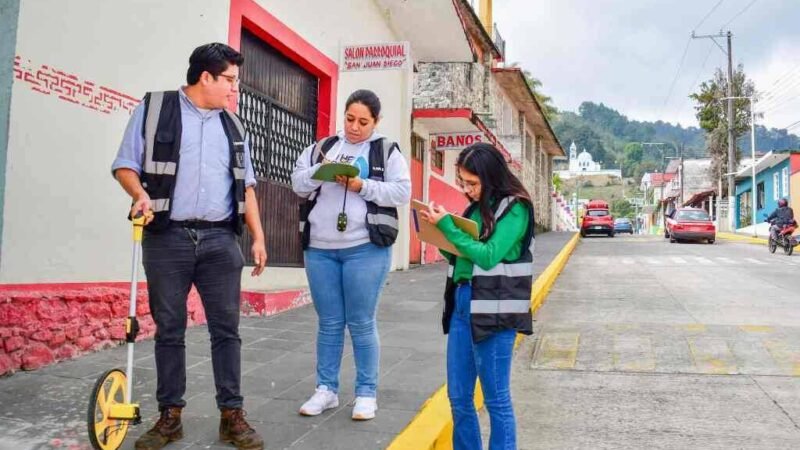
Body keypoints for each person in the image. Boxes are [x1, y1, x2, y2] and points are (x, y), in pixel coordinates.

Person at [111, 43, 266, 450]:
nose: (235, 89)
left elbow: (246, 185)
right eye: (230, 80)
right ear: (206, 78)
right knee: (170, 329)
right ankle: (170, 417)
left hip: (220, 239)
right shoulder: (155, 108)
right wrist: (138, 194)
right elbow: (126, 164)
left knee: (226, 330)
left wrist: (260, 237)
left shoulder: (233, 125)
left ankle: (232, 415)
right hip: (167, 237)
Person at [291, 89, 411, 420]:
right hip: (320, 249)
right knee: (329, 322)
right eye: (349, 119)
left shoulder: (385, 151)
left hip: (365, 249)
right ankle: (325, 390)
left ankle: (366, 393)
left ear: (376, 122)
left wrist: (362, 186)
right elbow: (297, 183)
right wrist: (320, 171)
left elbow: (402, 192)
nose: (355, 127)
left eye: (363, 121)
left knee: (360, 321)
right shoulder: (323, 148)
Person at [419, 142, 534, 450]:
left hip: (494, 310)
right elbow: (462, 256)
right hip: (461, 303)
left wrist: (448, 227)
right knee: (458, 398)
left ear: (491, 176)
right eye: (462, 182)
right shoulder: (475, 209)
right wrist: (440, 234)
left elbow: (488, 255)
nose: (467, 189)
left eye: (472, 183)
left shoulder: (515, 207)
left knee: (496, 400)